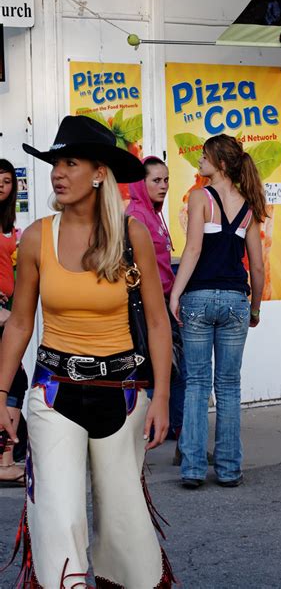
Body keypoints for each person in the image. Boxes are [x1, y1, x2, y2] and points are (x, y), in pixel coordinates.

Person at [0, 116, 174, 588]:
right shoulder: (37, 236)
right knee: (58, 518)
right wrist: (2, 394)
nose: (58, 172)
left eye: (70, 162)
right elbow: (20, 321)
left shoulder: (131, 235)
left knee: (126, 529)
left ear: (99, 173)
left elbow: (158, 322)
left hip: (122, 392)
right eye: (55, 162)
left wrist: (160, 398)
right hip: (54, 393)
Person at [169, 134, 265, 489]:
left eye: (205, 156)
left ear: (221, 163)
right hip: (236, 300)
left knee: (196, 384)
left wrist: (175, 294)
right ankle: (228, 469)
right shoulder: (248, 205)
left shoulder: (200, 197)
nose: (199, 161)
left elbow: (192, 250)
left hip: (198, 297)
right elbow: (257, 266)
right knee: (228, 386)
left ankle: (193, 469)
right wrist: (254, 308)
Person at [127, 157, 186, 458]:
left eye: (166, 180)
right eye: (156, 181)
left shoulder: (153, 214)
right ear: (141, 183)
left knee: (175, 368)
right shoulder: (136, 216)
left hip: (164, 297)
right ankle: (150, 429)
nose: (163, 186)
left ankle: (177, 431)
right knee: (156, 367)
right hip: (147, 302)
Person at [0, 159, 28, 486]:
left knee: (11, 381)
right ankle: (4, 460)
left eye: (7, 181)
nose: (2, 186)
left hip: (8, 305)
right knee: (13, 380)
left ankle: (5, 458)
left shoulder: (10, 222)